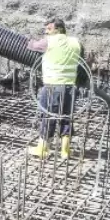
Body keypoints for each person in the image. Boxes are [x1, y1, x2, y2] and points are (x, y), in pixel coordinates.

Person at [27, 18, 83, 160]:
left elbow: (32, 45)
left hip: (52, 86)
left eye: (49, 29)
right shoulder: (76, 42)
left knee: (48, 116)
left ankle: (43, 148)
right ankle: (65, 150)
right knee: (66, 117)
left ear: (59, 29)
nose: (46, 31)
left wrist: (31, 40)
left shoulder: (49, 42)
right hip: (70, 88)